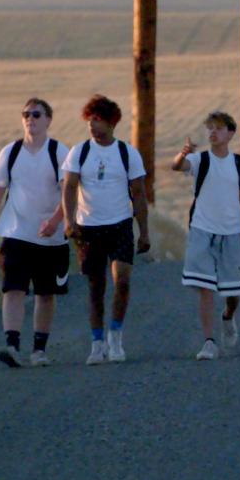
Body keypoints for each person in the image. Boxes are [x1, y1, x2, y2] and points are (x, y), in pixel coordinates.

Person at [0, 97, 70, 368]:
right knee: (13, 289)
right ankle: (12, 345)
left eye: (36, 114)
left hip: (51, 237)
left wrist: (55, 221)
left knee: (45, 292)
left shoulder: (59, 152)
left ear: (48, 120)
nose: (30, 119)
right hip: (16, 233)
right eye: (26, 114)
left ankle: (39, 349)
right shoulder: (10, 152)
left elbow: (69, 192)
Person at [61, 94, 150, 364]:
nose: (92, 125)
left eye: (97, 120)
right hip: (89, 228)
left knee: (121, 280)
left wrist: (143, 231)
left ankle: (116, 337)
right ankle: (97, 343)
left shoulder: (127, 153)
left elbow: (138, 192)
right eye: (89, 119)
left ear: (111, 123)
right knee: (95, 286)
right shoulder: (79, 152)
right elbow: (69, 187)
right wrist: (69, 220)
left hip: (120, 224)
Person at [169, 111, 240, 360]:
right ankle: (209, 342)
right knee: (205, 287)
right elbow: (177, 166)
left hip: (232, 233)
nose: (213, 132)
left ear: (230, 133)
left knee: (233, 292)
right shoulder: (201, 160)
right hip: (202, 230)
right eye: (210, 128)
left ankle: (228, 316)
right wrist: (183, 153)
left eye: (219, 128)